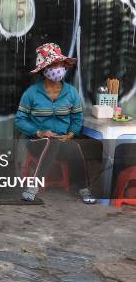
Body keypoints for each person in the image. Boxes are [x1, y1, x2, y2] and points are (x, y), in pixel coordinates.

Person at [15, 42, 96, 204]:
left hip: (62, 141)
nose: (58, 68)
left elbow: (77, 117)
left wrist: (71, 133)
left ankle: (84, 189)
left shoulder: (71, 92)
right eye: (53, 64)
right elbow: (20, 120)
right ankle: (33, 187)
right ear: (44, 70)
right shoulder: (31, 93)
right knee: (50, 142)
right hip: (36, 141)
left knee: (75, 147)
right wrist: (39, 132)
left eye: (60, 64)